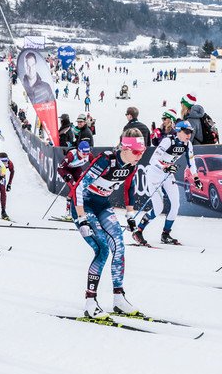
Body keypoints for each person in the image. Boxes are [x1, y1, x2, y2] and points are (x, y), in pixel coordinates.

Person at [75, 129, 146, 319]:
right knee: (102, 249)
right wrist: (81, 217)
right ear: (124, 148)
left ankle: (119, 299)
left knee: (119, 246)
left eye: (143, 151)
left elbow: (129, 188)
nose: (140, 155)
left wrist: (130, 216)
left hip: (102, 205)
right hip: (84, 205)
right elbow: (79, 187)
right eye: (136, 151)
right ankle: (90, 302)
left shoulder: (131, 164)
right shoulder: (106, 160)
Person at [129, 120, 195, 246]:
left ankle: (165, 234)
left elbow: (192, 162)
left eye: (190, 132)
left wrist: (196, 178)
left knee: (175, 204)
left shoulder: (188, 144)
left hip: (168, 174)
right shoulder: (168, 141)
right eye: (186, 132)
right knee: (158, 208)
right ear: (178, 131)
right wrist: (165, 167)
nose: (189, 135)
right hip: (154, 174)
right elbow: (153, 159)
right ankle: (138, 231)